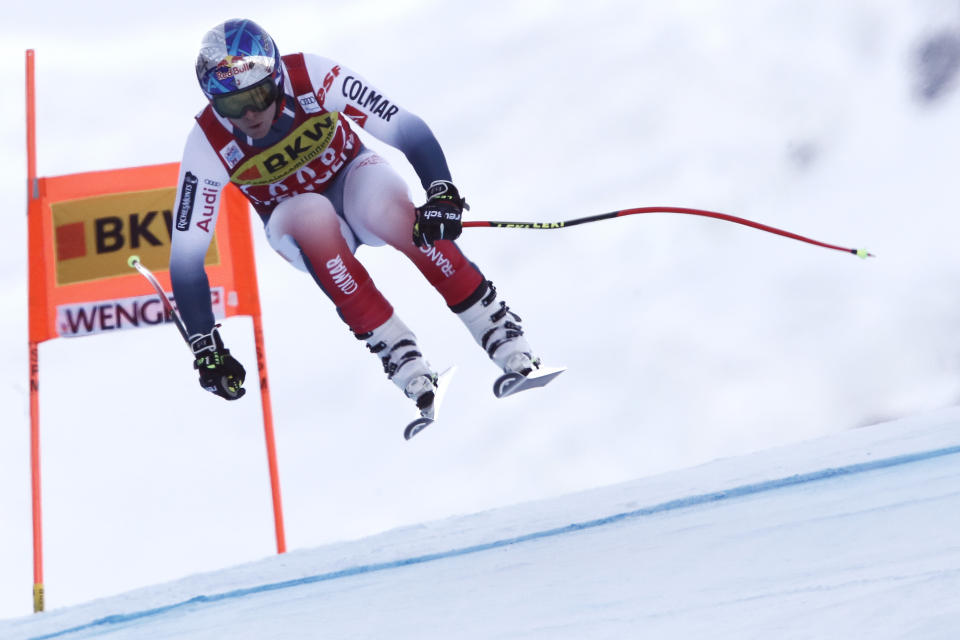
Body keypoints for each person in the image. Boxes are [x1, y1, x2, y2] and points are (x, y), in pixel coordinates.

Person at [169, 18, 540, 415]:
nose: (249, 114)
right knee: (310, 213)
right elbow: (186, 256)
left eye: (258, 95)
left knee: (388, 211)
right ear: (212, 101)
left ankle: (499, 331)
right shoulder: (207, 144)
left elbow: (403, 125)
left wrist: (441, 191)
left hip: (355, 180)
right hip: (296, 225)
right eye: (231, 104)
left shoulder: (310, 76)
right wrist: (205, 345)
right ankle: (401, 356)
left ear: (275, 76)